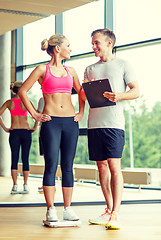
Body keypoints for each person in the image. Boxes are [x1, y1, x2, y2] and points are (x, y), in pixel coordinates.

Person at [18, 34, 84, 222]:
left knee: (68, 166)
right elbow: (22, 91)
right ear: (57, 48)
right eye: (68, 46)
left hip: (70, 122)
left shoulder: (71, 70)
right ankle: (51, 209)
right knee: (51, 165)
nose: (71, 49)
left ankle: (68, 208)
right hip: (51, 122)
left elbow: (81, 92)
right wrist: (35, 114)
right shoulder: (41, 69)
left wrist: (81, 112)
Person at [81, 29, 139, 230]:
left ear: (109, 43)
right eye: (92, 43)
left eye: (97, 43)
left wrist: (118, 96)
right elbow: (84, 95)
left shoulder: (123, 64)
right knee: (101, 167)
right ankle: (107, 209)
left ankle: (116, 213)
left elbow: (136, 91)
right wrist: (84, 92)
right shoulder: (89, 68)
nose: (93, 46)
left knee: (114, 165)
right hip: (94, 123)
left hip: (114, 124)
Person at [0, 81, 38, 194]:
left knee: (14, 159)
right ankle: (25, 185)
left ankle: (15, 186)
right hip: (26, 132)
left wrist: (5, 128)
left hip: (14, 132)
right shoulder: (27, 102)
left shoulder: (9, 102)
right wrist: (34, 127)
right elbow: (36, 115)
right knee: (25, 159)